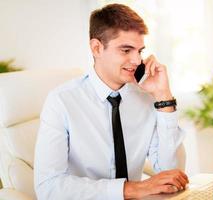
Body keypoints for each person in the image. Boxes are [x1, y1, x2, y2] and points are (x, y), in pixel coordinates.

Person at [34, 3, 188, 200]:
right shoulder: (62, 102)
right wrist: (131, 189)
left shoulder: (145, 98)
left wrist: (164, 98)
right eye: (126, 50)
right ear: (97, 48)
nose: (136, 61)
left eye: (139, 51)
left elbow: (172, 175)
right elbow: (48, 187)